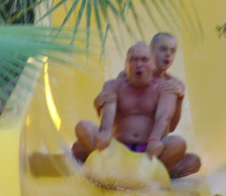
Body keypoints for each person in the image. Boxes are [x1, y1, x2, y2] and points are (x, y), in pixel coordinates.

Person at [73, 42, 200, 179]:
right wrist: (105, 132)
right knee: (82, 129)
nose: (139, 64)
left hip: (149, 152)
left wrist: (155, 139)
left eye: (144, 60)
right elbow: (108, 113)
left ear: (153, 64)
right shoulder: (113, 85)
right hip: (117, 151)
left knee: (181, 148)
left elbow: (164, 117)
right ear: (126, 64)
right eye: (133, 59)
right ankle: (137, 174)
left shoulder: (165, 87)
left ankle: (144, 173)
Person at [96, 32, 185, 132]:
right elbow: (110, 117)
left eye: (172, 51)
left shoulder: (174, 84)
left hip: (153, 139)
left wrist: (180, 99)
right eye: (163, 49)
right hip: (123, 137)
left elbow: (171, 128)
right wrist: (99, 105)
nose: (168, 54)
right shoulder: (127, 76)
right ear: (151, 50)